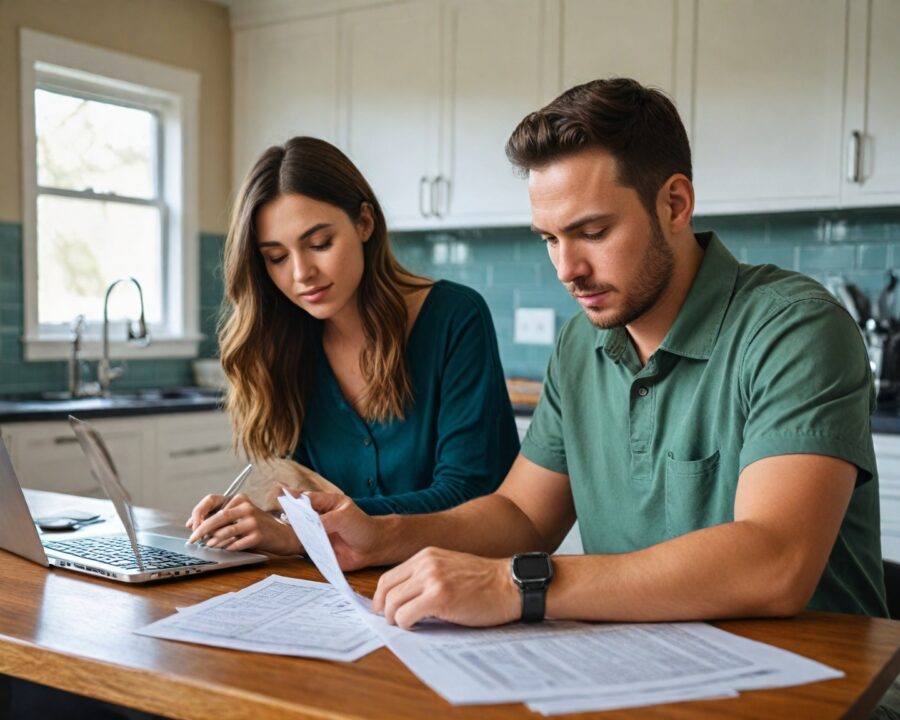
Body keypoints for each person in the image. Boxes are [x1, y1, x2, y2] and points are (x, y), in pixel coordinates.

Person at [296, 78, 887, 630]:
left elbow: (775, 562)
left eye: (594, 232)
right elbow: (522, 517)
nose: (566, 270)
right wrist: (381, 533)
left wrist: (516, 583)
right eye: (550, 238)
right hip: (647, 672)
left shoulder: (793, 327)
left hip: (819, 690)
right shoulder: (582, 343)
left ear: (675, 204)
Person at [186, 137, 519, 554]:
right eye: (276, 257)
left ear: (364, 222)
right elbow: (311, 497)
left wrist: (302, 529)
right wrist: (261, 521)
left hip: (461, 584)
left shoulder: (455, 316)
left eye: (320, 243)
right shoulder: (286, 347)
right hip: (348, 592)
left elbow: (470, 493)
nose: (301, 273)